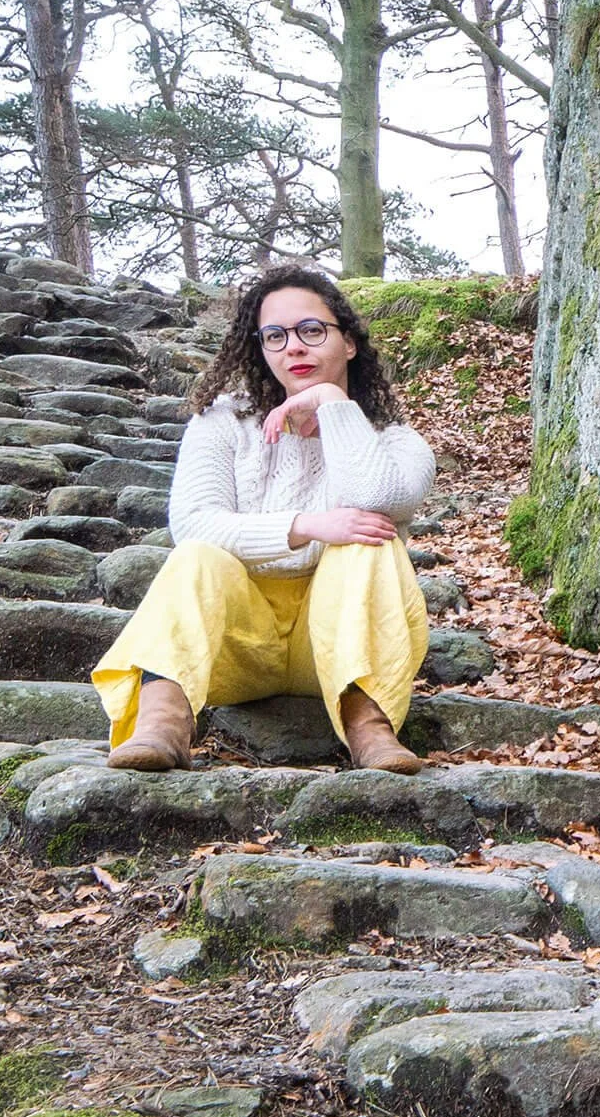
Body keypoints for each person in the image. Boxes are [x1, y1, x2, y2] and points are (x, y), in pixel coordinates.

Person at [92, 261, 435, 774]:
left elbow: (380, 499)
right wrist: (305, 526)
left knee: (371, 539)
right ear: (260, 348)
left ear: (349, 343)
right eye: (274, 336)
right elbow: (192, 523)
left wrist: (333, 403)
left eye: (311, 330)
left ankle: (370, 727)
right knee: (197, 557)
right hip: (235, 646)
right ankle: (161, 724)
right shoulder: (223, 420)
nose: (293, 346)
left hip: (336, 652)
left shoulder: (395, 442)